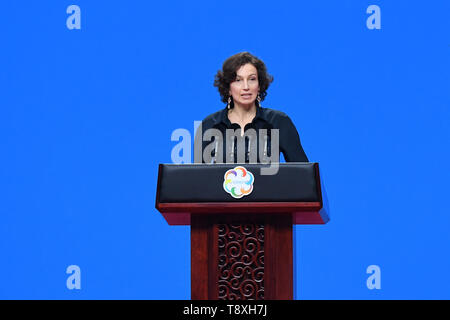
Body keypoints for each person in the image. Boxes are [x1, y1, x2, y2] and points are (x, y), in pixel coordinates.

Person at [194, 52, 308, 164]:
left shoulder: (279, 121)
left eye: (252, 79)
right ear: (228, 88)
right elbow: (198, 178)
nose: (246, 87)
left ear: (259, 85)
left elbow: (303, 175)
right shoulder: (209, 125)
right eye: (238, 80)